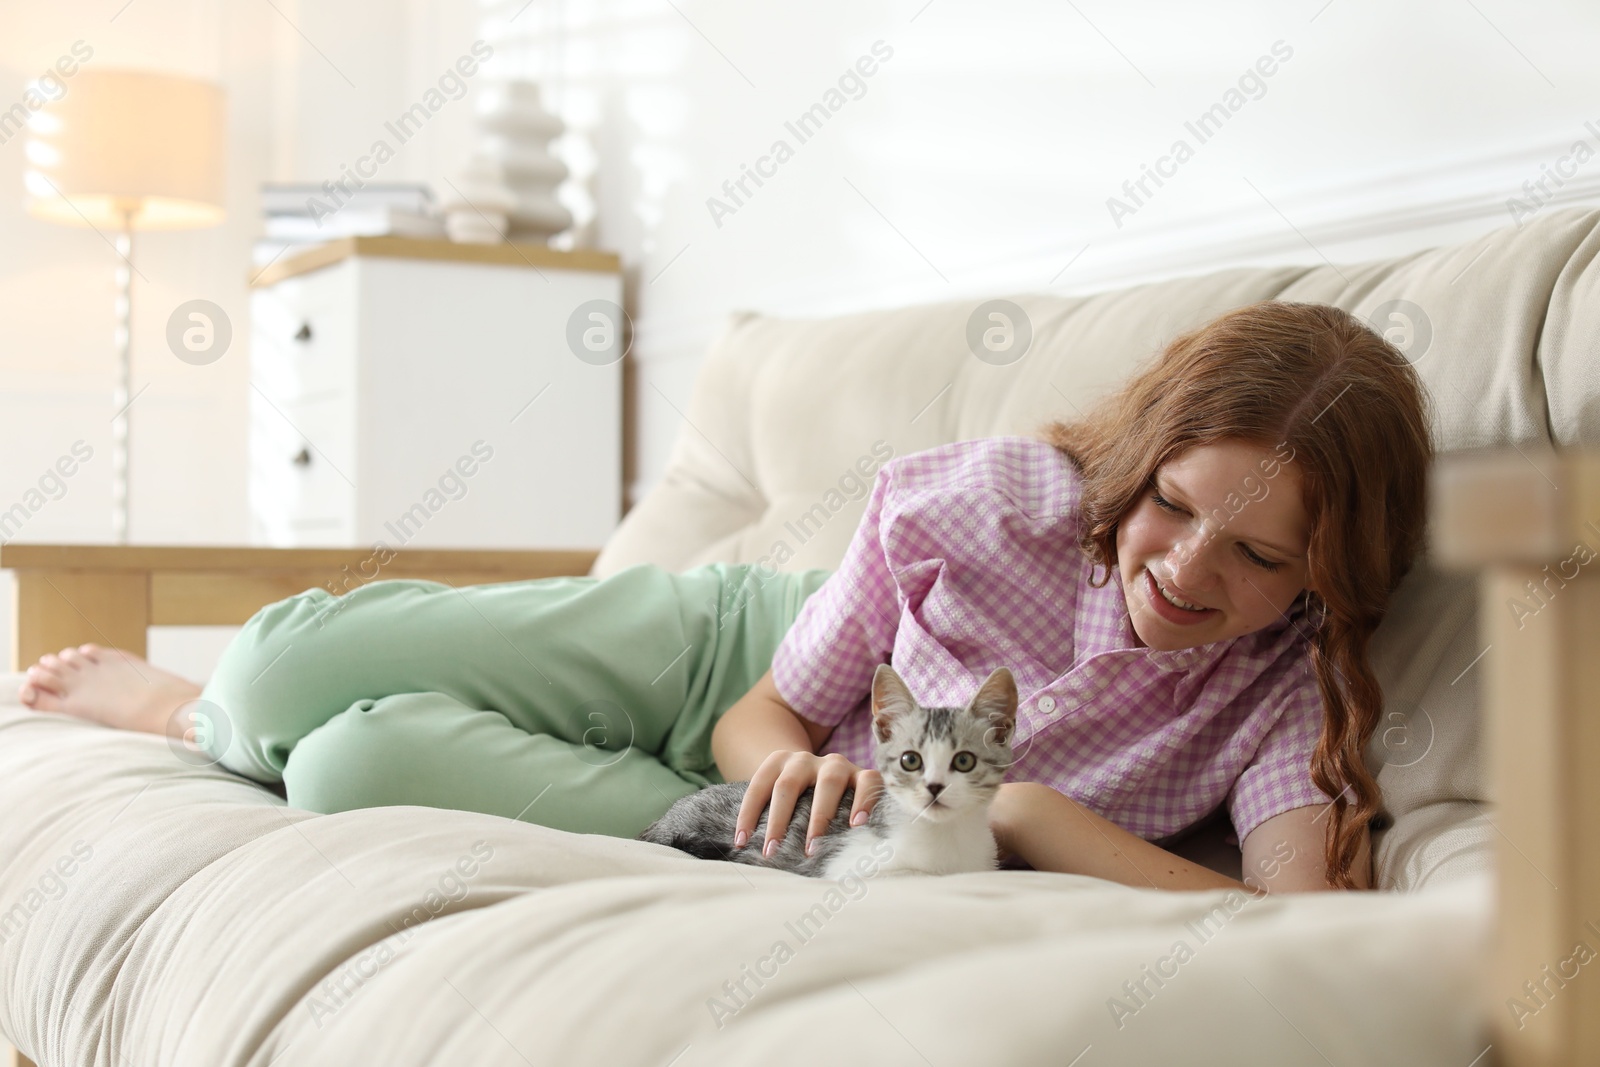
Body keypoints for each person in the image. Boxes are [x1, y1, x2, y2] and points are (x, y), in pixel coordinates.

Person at [16, 300, 1431, 894]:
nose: (1184, 572)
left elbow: (1290, 921)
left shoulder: (1282, 695)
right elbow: (767, 709)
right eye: (1174, 509)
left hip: (785, 832)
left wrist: (1028, 814)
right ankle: (202, 712)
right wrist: (798, 756)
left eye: (1256, 557)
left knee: (347, 764)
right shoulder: (986, 502)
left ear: (1328, 572)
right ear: (1143, 463)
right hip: (731, 664)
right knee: (274, 676)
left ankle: (244, 738)